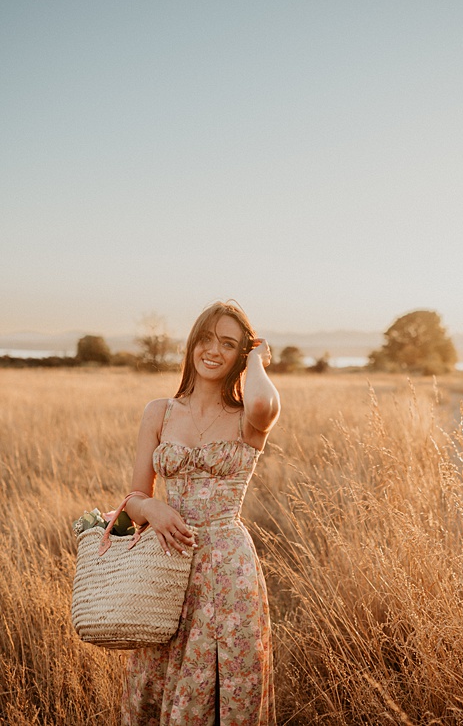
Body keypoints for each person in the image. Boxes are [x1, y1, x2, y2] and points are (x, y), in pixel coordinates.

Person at [121, 301, 280, 726]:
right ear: (192, 344)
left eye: (228, 344)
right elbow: (134, 496)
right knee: (160, 677)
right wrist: (151, 506)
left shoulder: (248, 416)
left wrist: (256, 359)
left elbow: (266, 403)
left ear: (239, 357)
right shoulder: (160, 412)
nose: (213, 350)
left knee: (229, 681)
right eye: (206, 338)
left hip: (229, 567)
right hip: (170, 561)